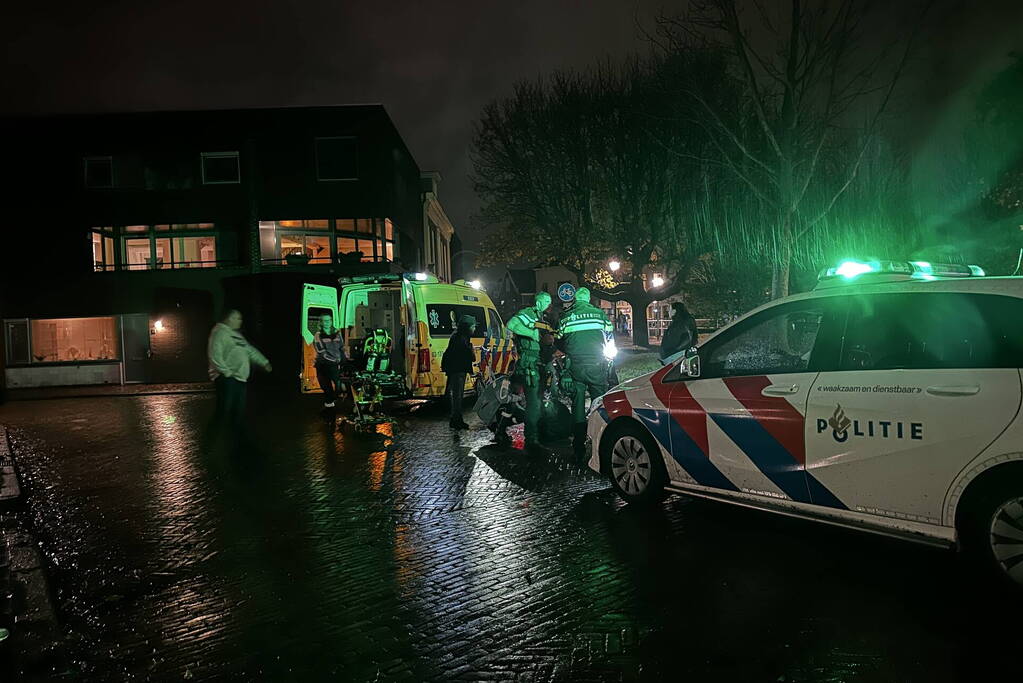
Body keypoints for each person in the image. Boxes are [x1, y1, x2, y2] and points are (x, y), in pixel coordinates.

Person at [557, 287, 613, 458]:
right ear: (588, 299)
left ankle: (578, 446)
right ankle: (603, 443)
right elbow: (610, 336)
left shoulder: (566, 316)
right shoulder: (600, 314)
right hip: (597, 364)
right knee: (600, 404)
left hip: (575, 366)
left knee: (578, 405)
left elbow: (559, 338)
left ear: (575, 299)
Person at [207, 309, 272, 430]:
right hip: (227, 378)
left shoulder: (236, 335)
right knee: (225, 410)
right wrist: (227, 373)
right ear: (229, 319)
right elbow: (215, 355)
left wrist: (264, 362)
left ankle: (234, 435)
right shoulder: (219, 333)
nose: (240, 321)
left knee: (237, 411)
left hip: (239, 378)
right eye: (238, 318)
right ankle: (212, 435)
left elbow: (249, 350)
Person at [506, 292, 552, 455]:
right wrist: (532, 333)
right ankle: (532, 440)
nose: (548, 304)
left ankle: (536, 435)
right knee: (534, 404)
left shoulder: (542, 318)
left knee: (535, 401)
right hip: (529, 365)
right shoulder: (528, 313)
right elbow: (511, 324)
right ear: (538, 302)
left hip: (538, 364)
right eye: (546, 301)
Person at [442, 314, 477, 430]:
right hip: (458, 371)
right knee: (457, 396)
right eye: (473, 327)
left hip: (455, 370)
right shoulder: (461, 339)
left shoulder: (458, 336)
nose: (474, 329)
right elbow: (467, 356)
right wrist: (471, 350)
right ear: (467, 327)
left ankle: (456, 419)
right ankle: (456, 421)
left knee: (457, 396)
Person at [313, 313, 346, 411]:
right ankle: (329, 407)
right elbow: (321, 352)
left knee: (339, 384)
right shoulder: (318, 335)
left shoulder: (337, 333)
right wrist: (335, 360)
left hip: (335, 364)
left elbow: (342, 347)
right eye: (325, 321)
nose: (327, 322)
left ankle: (334, 402)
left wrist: (343, 359)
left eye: (329, 320)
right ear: (321, 323)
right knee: (326, 386)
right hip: (323, 365)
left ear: (331, 321)